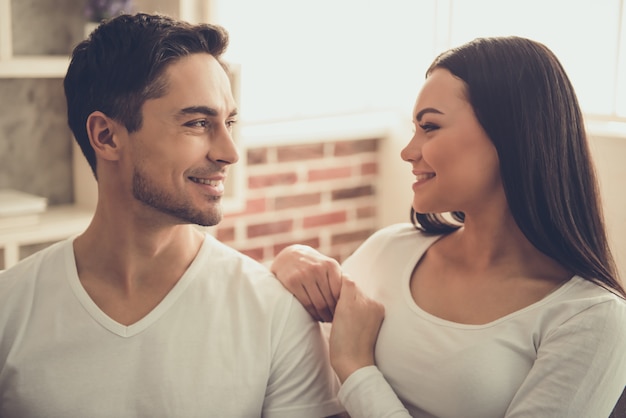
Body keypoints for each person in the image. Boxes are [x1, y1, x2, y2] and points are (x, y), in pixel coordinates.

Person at [0, 13, 345, 417]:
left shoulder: (276, 313)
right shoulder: (10, 308)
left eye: (229, 122)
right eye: (198, 123)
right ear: (107, 136)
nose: (229, 152)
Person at [271, 36, 626, 417]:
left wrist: (357, 368)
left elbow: (345, 364)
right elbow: (294, 370)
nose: (408, 151)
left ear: (509, 134)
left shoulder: (591, 318)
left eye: (430, 127)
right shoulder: (388, 249)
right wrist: (287, 266)